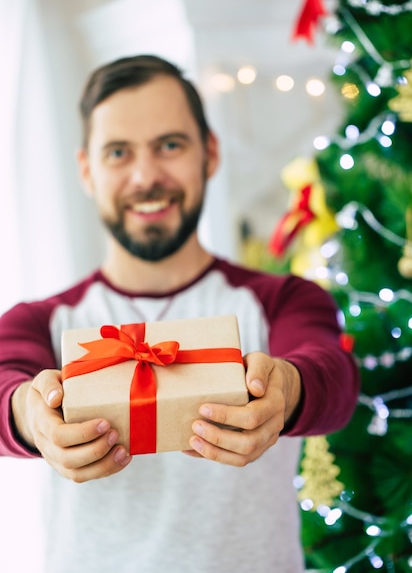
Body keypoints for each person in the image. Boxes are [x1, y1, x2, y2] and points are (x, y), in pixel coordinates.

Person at [0, 54, 359, 573]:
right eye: (119, 152)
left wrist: (288, 388)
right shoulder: (37, 323)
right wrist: (30, 417)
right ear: (87, 170)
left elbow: (335, 376)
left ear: (209, 154)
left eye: (169, 145)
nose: (146, 176)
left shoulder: (283, 301)